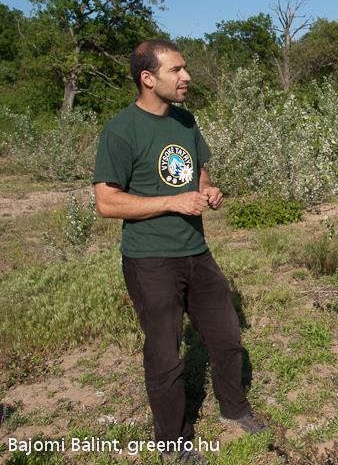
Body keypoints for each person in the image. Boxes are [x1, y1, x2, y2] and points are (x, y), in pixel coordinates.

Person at [93, 39, 268, 465]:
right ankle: (174, 443)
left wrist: (206, 188)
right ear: (148, 79)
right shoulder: (120, 131)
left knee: (226, 337)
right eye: (176, 70)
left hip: (197, 251)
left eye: (185, 68)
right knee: (165, 356)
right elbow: (106, 202)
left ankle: (235, 410)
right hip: (150, 260)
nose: (186, 76)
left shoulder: (186, 121)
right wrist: (172, 202)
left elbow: (197, 166)